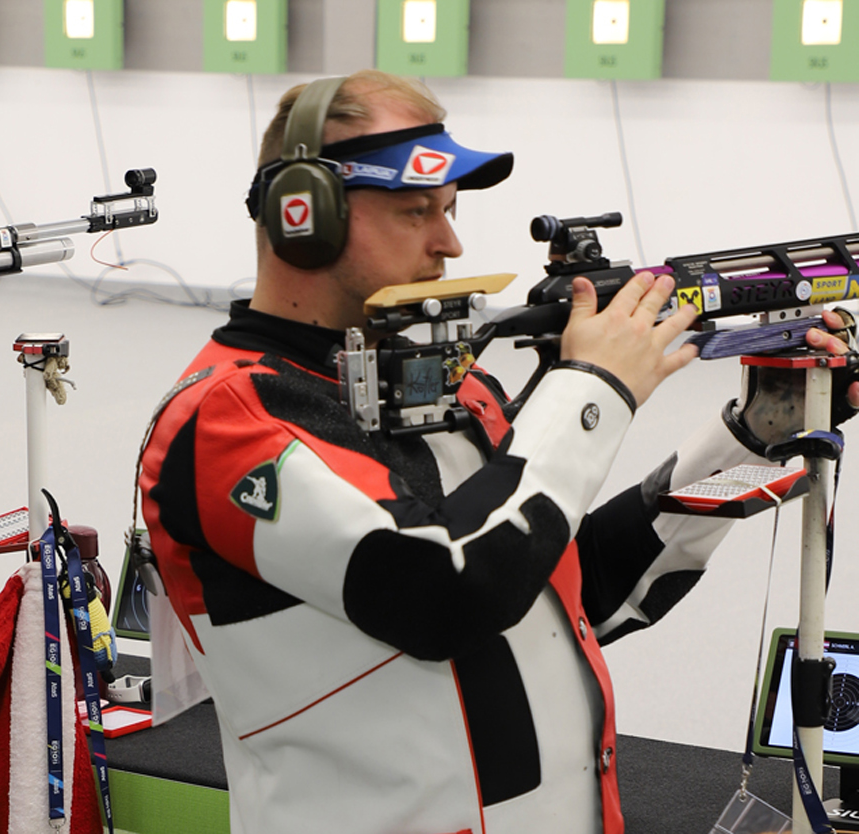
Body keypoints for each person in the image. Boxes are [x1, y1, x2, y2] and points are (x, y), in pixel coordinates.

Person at [136, 70, 859, 834]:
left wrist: (752, 434)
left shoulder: (452, 387)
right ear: (301, 215)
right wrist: (590, 390)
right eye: (417, 211)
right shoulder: (225, 418)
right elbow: (449, 594)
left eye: (449, 211)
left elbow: (559, 589)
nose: (449, 243)